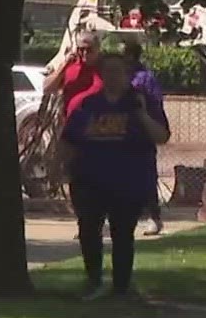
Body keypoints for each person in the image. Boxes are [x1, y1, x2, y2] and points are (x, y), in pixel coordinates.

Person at [61, 52, 171, 300]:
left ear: (128, 75)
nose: (113, 76)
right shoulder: (88, 105)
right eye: (107, 71)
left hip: (127, 180)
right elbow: (69, 141)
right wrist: (65, 172)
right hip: (90, 179)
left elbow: (162, 136)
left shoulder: (141, 103)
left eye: (118, 71)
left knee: (123, 233)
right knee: (89, 230)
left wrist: (141, 113)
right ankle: (93, 281)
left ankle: (121, 287)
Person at [123, 40, 168, 235]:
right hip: (120, 134)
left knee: (147, 176)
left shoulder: (144, 78)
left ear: (131, 56)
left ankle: (154, 217)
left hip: (142, 133)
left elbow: (155, 103)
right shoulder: (120, 76)